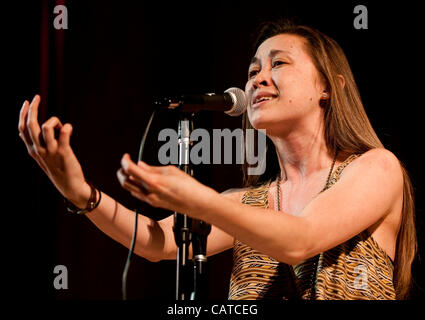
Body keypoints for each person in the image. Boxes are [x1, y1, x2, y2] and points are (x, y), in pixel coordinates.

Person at [18, 20, 416, 300]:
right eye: (253, 70)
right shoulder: (245, 202)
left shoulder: (376, 168)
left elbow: (302, 240)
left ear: (328, 87)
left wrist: (198, 199)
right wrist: (80, 192)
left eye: (278, 63)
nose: (258, 78)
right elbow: (157, 242)